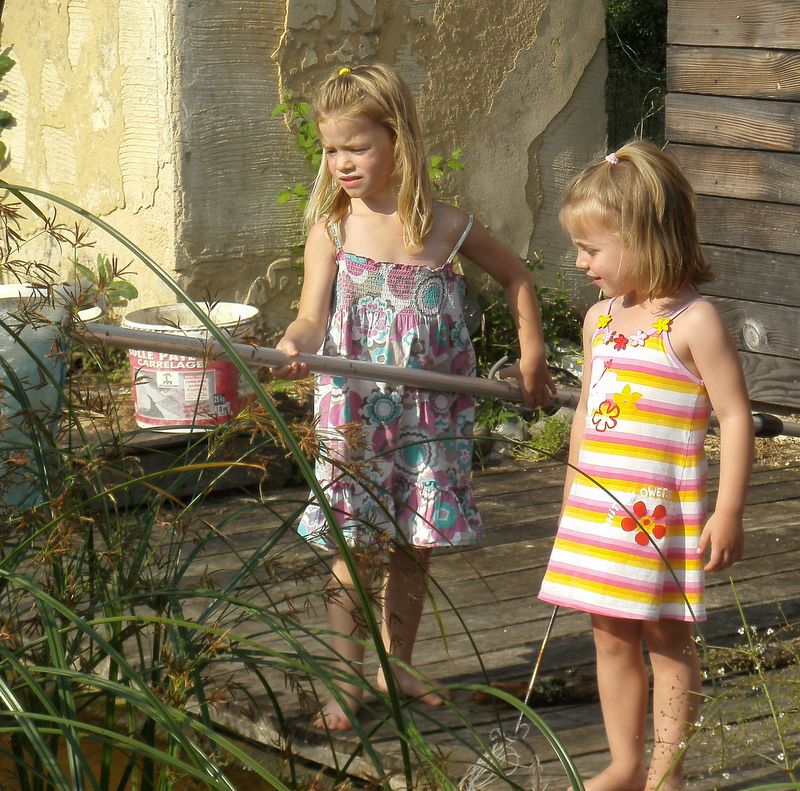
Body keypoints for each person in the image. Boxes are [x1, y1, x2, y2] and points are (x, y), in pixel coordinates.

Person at [274, 63, 556, 731]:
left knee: (412, 544)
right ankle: (344, 685)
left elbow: (517, 276)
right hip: (354, 417)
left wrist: (532, 353)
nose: (342, 163)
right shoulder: (333, 231)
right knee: (351, 546)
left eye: (357, 147)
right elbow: (311, 316)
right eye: (331, 150)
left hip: (427, 417)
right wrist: (294, 342)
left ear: (398, 138)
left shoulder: (447, 227)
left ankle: (395, 666)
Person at [538, 140, 754, 790]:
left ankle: (667, 771)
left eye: (591, 249)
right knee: (608, 635)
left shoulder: (693, 322)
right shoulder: (599, 320)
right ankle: (626, 762)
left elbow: (735, 416)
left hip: (659, 518)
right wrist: (572, 487)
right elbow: (587, 410)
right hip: (598, 508)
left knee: (667, 640)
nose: (580, 263)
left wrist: (729, 510)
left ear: (643, 240)